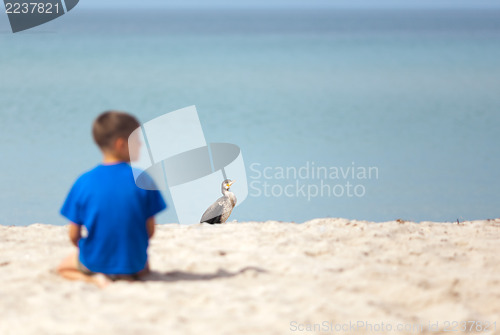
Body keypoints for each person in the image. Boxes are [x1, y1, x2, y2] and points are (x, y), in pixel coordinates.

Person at [57, 111, 166, 287]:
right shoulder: (143, 180)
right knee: (144, 266)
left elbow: (74, 235)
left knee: (64, 267)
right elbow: (150, 231)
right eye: (137, 139)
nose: (141, 145)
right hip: (133, 262)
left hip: (95, 259)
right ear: (121, 144)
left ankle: (93, 279)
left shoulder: (83, 181)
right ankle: (127, 274)